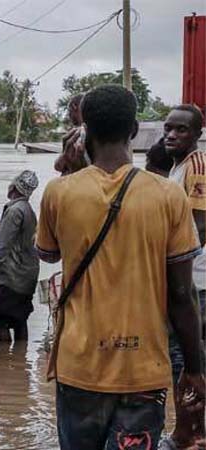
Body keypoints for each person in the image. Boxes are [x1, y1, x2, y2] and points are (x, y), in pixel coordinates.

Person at [36, 85, 205, 449]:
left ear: (85, 131)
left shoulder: (58, 193)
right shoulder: (168, 195)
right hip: (143, 371)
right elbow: (181, 293)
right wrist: (194, 368)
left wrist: (71, 169)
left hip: (78, 367)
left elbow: (48, 255)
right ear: (133, 131)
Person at [162, 104, 206, 448]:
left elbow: (200, 228)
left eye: (181, 130)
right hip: (185, 280)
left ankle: (189, 433)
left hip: (196, 281)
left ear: (197, 135)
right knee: (186, 355)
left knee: (186, 356)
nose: (171, 136)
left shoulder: (197, 167)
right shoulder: (176, 168)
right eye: (168, 129)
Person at [0, 171, 40, 342]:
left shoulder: (14, 211)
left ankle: (2, 359)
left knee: (0, 321)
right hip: (27, 274)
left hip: (13, 276)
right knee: (20, 319)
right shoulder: (28, 210)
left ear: (13, 187)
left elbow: (1, 247)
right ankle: (20, 361)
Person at [54, 94, 89, 175]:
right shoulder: (96, 130)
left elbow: (59, 166)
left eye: (69, 111)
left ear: (74, 106)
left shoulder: (76, 134)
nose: (68, 115)